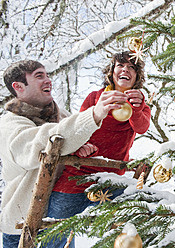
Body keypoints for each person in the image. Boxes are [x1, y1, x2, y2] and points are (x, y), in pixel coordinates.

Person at [0, 59, 130, 247]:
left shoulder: (61, 115)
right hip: (21, 228)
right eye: (39, 76)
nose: (48, 80)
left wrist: (78, 148)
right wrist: (93, 114)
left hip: (58, 218)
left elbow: (71, 136)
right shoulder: (9, 124)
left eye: (47, 74)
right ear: (18, 86)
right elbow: (39, 144)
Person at [47, 51, 151, 247]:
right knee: (55, 232)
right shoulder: (95, 97)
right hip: (75, 177)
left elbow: (141, 127)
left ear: (137, 77)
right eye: (120, 65)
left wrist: (137, 107)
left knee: (128, 232)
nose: (125, 70)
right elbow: (78, 128)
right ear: (112, 72)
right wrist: (80, 147)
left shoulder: (140, 103)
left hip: (112, 180)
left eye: (132, 68)